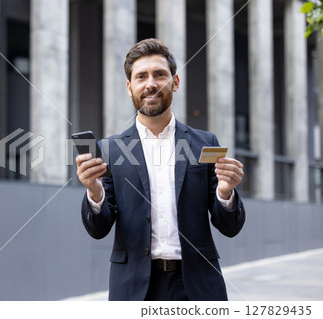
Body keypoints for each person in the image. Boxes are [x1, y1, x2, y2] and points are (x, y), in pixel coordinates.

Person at [75, 38, 245, 301]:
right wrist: (95, 194)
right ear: (129, 87)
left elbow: (229, 227)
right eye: (141, 76)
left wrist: (225, 193)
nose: (151, 83)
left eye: (159, 75)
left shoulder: (205, 143)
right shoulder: (110, 150)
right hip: (134, 289)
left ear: (175, 82)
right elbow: (99, 229)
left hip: (198, 288)